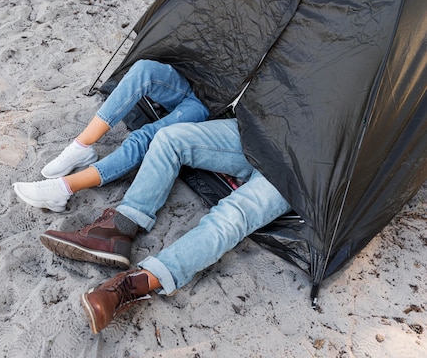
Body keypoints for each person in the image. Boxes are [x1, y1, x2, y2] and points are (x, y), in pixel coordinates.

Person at [38, 118, 292, 334]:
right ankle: (118, 228)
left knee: (232, 217)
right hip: (266, 126)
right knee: (170, 138)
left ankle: (134, 285)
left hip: (304, 168)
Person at [12, 60, 209, 212]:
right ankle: (80, 147)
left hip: (212, 103)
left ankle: (63, 189)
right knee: (143, 69)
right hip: (197, 81)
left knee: (146, 136)